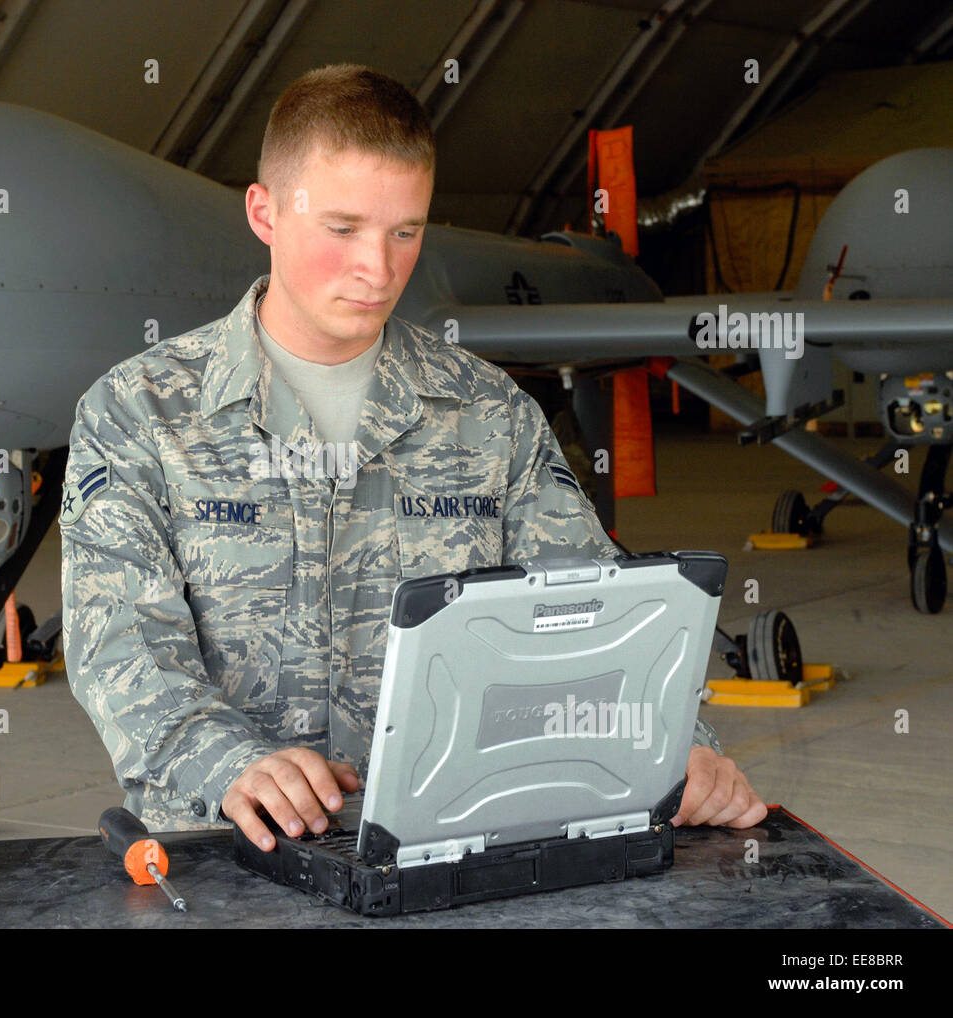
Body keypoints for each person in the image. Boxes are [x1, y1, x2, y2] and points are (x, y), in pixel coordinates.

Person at [61, 64, 765, 850]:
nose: (379, 268)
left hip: (450, 851)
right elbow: (117, 644)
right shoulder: (140, 413)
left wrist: (682, 744)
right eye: (343, 229)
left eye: (406, 232)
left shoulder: (489, 415)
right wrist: (229, 763)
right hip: (224, 858)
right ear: (264, 212)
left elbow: (591, 611)